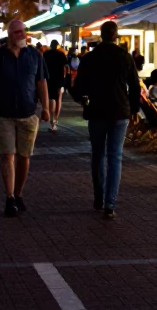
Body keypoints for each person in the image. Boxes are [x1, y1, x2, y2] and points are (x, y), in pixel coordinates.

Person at [69, 20, 140, 217]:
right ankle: (110, 203)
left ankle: (99, 197)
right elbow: (135, 86)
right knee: (115, 156)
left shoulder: (91, 58)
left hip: (97, 110)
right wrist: (134, 109)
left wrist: (80, 98)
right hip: (120, 110)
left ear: (101, 35)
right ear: (115, 35)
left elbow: (79, 86)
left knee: (98, 154)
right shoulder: (124, 57)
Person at [0, 19, 50, 218]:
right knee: (7, 155)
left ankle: (19, 194)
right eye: (18, 32)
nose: (23, 35)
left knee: (24, 157)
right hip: (3, 115)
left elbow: (42, 82)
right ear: (10, 35)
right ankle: (9, 197)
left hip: (28, 114)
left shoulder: (35, 55)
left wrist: (46, 108)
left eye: (24, 32)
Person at [43, 40, 69, 131]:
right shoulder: (61, 54)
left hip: (49, 79)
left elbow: (43, 66)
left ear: (50, 45)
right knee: (59, 99)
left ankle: (51, 120)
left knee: (51, 98)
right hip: (59, 79)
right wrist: (66, 78)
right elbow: (66, 66)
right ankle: (55, 119)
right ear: (57, 46)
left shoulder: (46, 54)